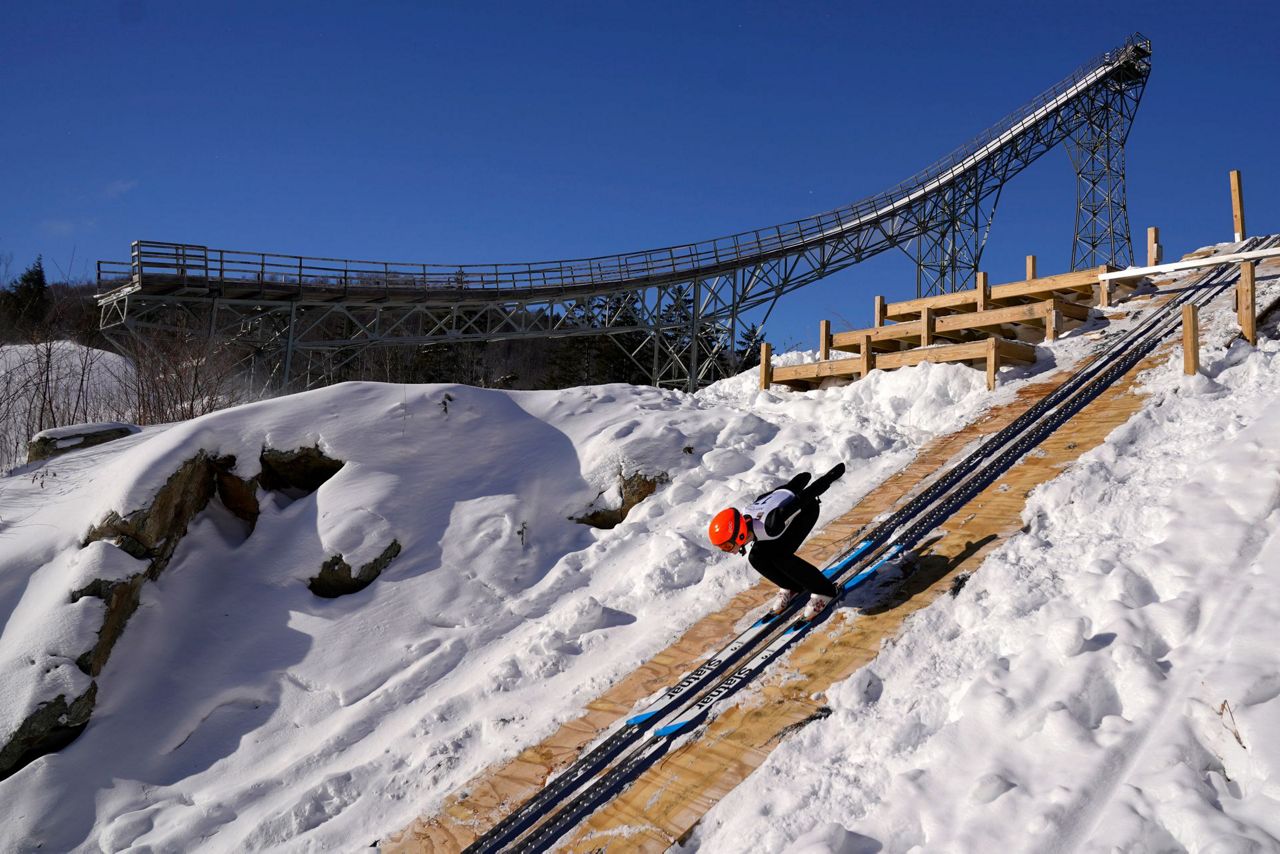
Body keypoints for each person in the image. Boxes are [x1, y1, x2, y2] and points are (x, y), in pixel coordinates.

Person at [708, 462, 847, 621]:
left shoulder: (770, 524)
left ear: (740, 535)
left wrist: (829, 477)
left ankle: (825, 591)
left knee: (780, 557)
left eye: (726, 546)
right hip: (783, 519)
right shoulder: (749, 521)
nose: (726, 550)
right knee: (756, 557)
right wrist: (800, 480)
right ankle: (792, 586)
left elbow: (803, 497)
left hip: (806, 511)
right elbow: (777, 493)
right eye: (722, 547)